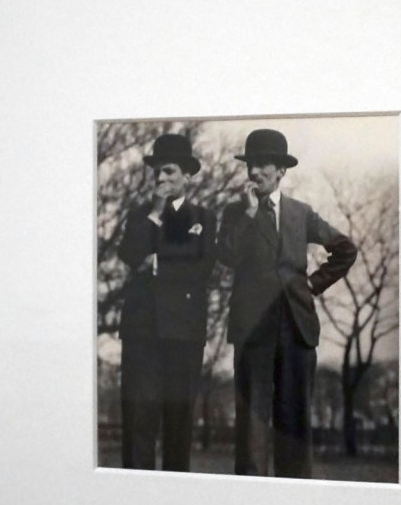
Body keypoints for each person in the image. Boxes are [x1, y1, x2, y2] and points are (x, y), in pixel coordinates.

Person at [218, 128, 357, 478]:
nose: (254, 172)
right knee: (251, 430)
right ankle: (250, 503)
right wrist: (249, 215)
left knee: (294, 425)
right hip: (252, 332)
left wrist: (312, 284)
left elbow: (345, 250)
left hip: (297, 329)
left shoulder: (301, 213)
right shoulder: (235, 213)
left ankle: (295, 503)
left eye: (263, 164)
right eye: (250, 165)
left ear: (281, 170)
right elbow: (228, 256)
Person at [117, 133, 216, 472]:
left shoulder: (204, 217)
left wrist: (156, 262)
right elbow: (130, 254)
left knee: (179, 424)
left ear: (187, 175)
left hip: (184, 335)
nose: (161, 178)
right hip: (141, 332)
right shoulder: (139, 216)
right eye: (157, 172)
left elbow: (202, 268)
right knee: (138, 422)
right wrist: (156, 214)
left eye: (170, 171)